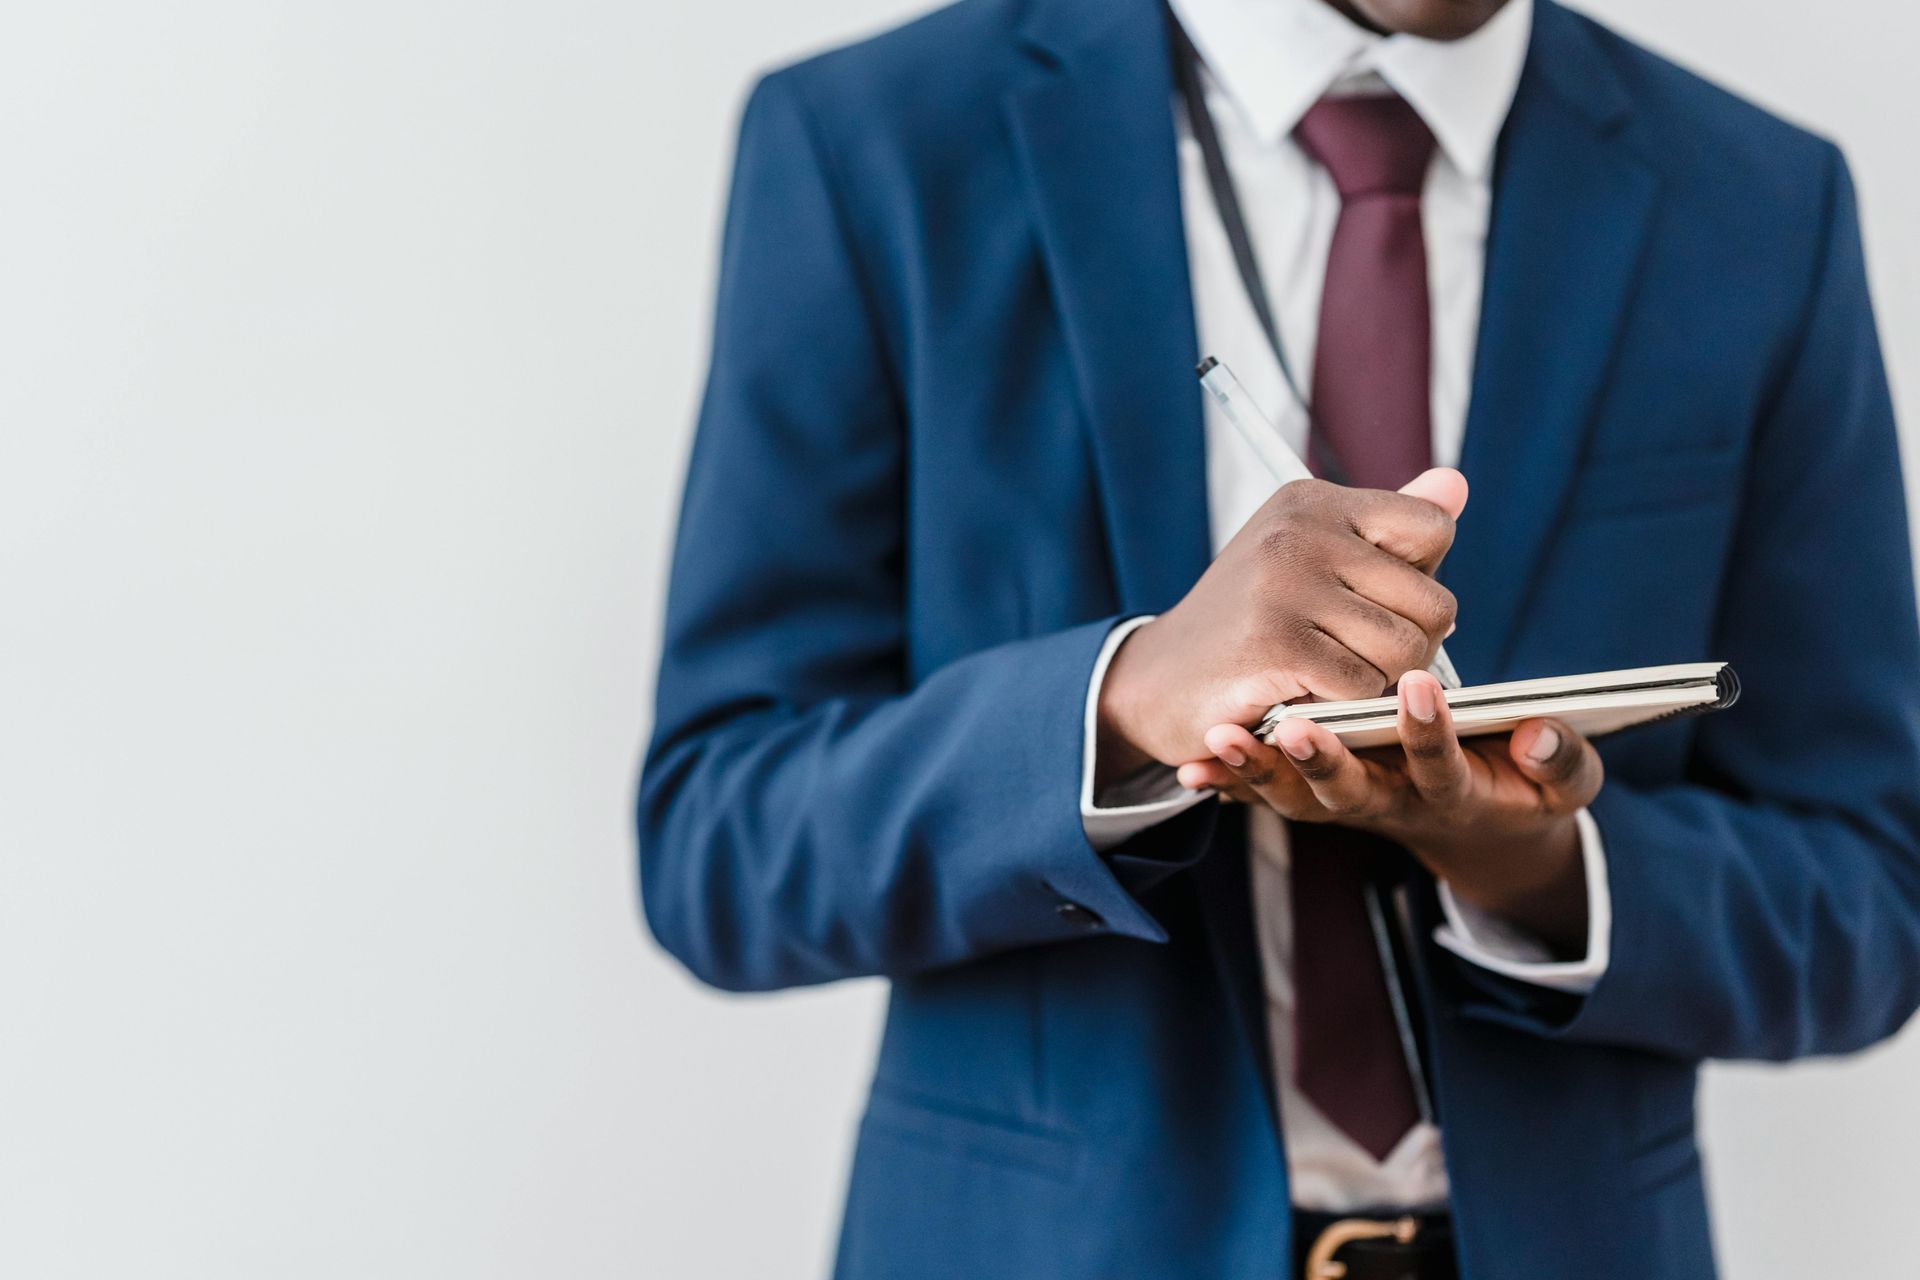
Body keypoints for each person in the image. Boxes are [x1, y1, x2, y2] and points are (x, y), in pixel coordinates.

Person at [638, 0, 1920, 1274]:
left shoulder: (1760, 201)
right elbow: (719, 837)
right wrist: (1123, 701)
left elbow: (1873, 897)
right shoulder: (871, 140)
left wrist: (1539, 868)